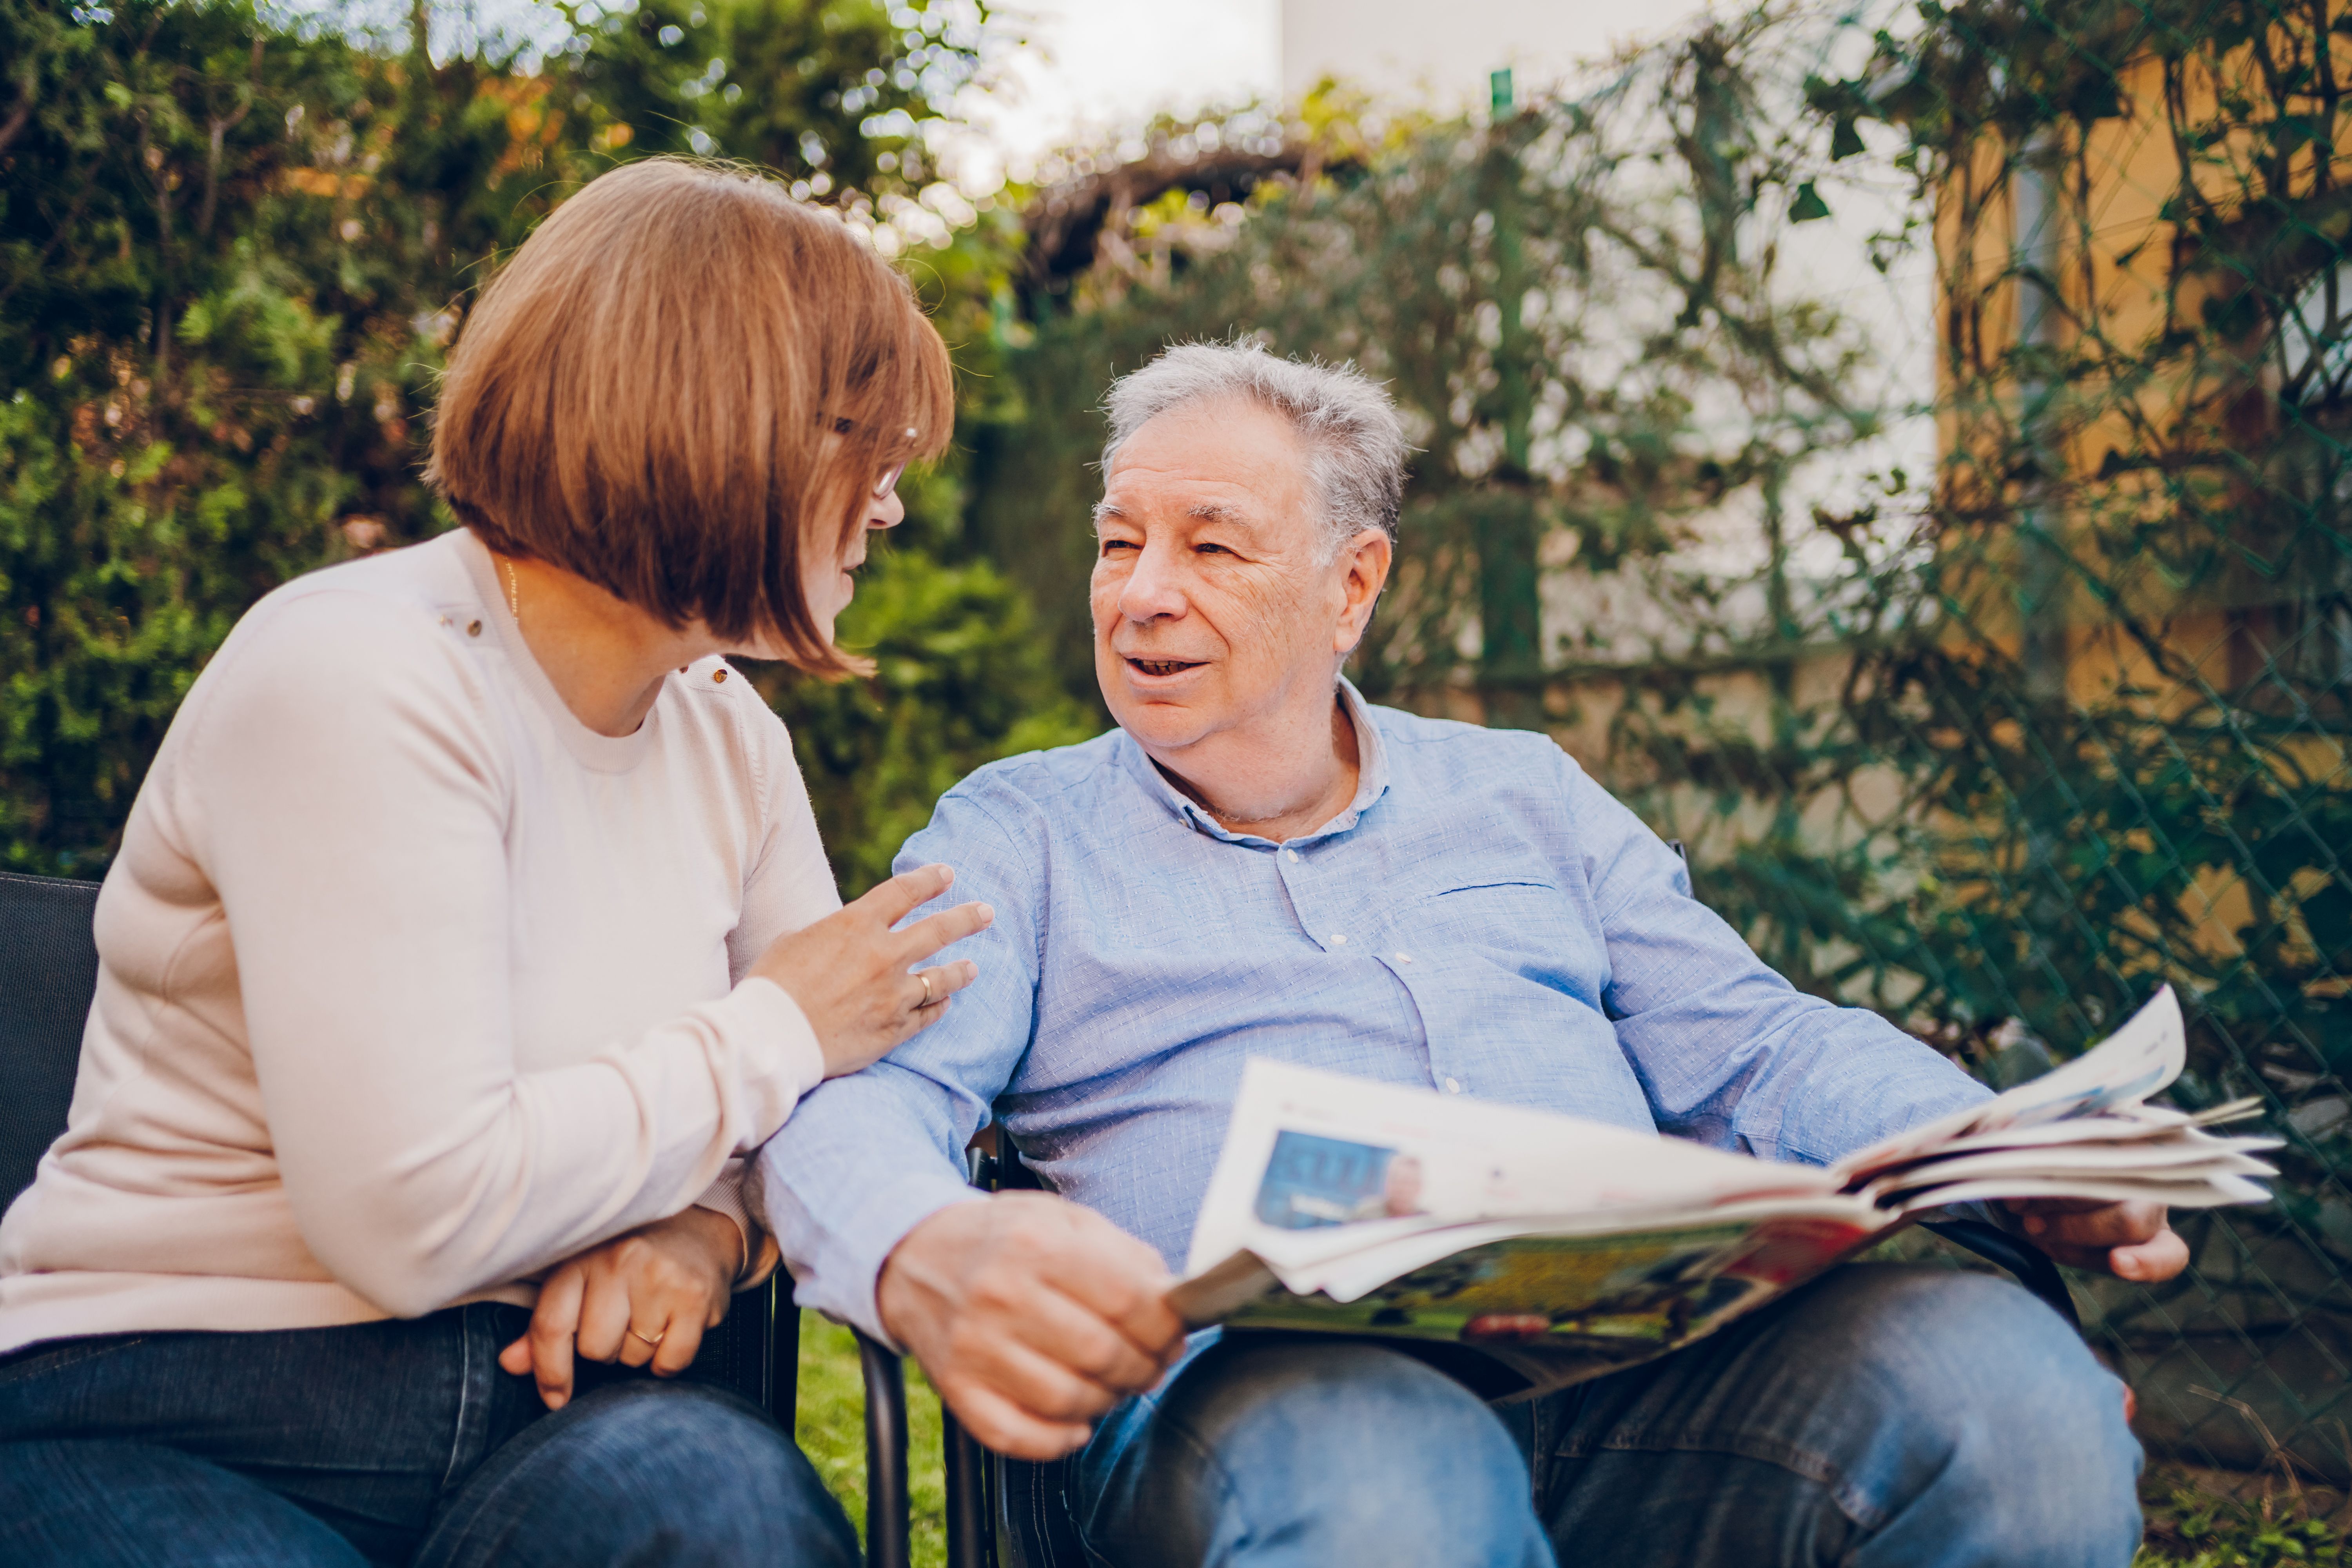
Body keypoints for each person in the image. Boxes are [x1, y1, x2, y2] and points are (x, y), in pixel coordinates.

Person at [759, 341, 2186, 1568]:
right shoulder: (1022, 832)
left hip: (1647, 1383)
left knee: (2009, 1399)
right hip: (1272, 1413)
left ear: (1351, 584)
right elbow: (871, 1095)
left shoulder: (1525, 794)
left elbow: (1756, 1044)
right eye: (1118, 539)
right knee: (1394, 1473)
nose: (1140, 592)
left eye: (1211, 544)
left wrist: (1994, 1147)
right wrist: (915, 1240)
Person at [0, 157, 991, 1568]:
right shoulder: (357, 677)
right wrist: (776, 1025)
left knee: (721, 1518)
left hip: (564, 1403)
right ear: (725, 424)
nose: (889, 507)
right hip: (187, 1394)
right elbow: (414, 1215)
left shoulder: (730, 742)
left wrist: (711, 1230)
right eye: (869, 452)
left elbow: (839, 1097)